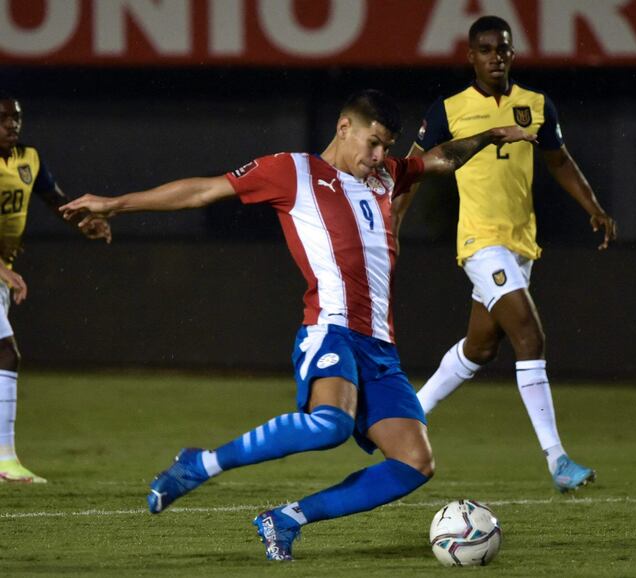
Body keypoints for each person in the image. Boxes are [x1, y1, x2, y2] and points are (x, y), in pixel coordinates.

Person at [61, 89, 535, 561]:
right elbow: (204, 190)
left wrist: (491, 134)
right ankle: (200, 463)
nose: (379, 156)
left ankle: (287, 518)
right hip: (329, 330)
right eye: (373, 143)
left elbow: (441, 159)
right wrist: (116, 204)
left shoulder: (387, 176)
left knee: (415, 463)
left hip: (381, 348)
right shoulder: (294, 171)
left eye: (386, 147)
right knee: (328, 426)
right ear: (343, 127)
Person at [392, 16, 617, 493]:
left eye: (503, 49)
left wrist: (592, 206)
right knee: (529, 339)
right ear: (470, 56)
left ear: (513, 54)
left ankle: (405, 414)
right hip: (479, 242)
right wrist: (392, 226)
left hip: (520, 245)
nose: (496, 56)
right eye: (486, 49)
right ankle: (558, 460)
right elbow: (411, 168)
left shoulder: (535, 106)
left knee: (480, 347)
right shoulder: (449, 109)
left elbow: (558, 160)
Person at [0, 92, 112, 483]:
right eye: (3, 119)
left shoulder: (29, 159)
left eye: (16, 118)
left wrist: (84, 222)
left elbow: (55, 200)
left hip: (4, 271)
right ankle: (5, 461)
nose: (12, 125)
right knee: (6, 354)